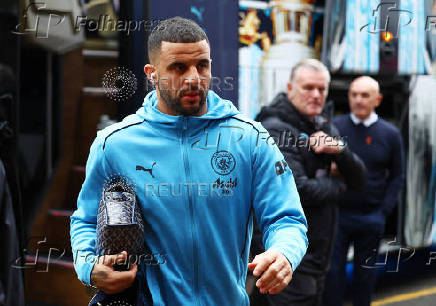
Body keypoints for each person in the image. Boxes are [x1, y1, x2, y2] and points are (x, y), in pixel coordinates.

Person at [70, 17, 308, 305]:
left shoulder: (249, 138)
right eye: (178, 68)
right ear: (152, 74)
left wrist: (284, 253)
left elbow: (287, 218)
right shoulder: (114, 144)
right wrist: (90, 268)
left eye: (202, 65)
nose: (194, 77)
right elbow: (84, 220)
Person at [250, 59, 366, 306]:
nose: (316, 95)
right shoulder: (275, 131)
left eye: (322, 89)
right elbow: (300, 190)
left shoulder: (322, 124)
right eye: (308, 88)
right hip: (289, 258)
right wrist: (337, 183)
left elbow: (359, 178)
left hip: (315, 256)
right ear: (290, 88)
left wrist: (340, 151)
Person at [322, 76, 405, 306]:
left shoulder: (390, 134)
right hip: (338, 215)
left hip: (371, 217)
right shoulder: (335, 127)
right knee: (333, 274)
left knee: (365, 276)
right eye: (354, 94)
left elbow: (398, 176)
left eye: (364, 95)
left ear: (377, 100)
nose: (358, 100)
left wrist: (383, 212)